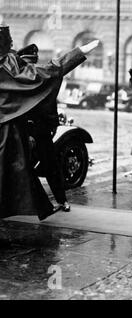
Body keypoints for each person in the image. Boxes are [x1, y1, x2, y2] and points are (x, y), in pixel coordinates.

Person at [0, 23, 98, 220]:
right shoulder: (7, 65)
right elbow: (41, 76)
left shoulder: (7, 62)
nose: (12, 45)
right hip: (7, 130)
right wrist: (76, 54)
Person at [17, 44, 71, 213]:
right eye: (28, 63)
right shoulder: (19, 80)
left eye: (33, 62)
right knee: (22, 167)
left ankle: (62, 201)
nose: (31, 66)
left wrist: (52, 126)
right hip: (24, 131)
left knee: (50, 166)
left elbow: (50, 104)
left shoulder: (41, 80)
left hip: (41, 131)